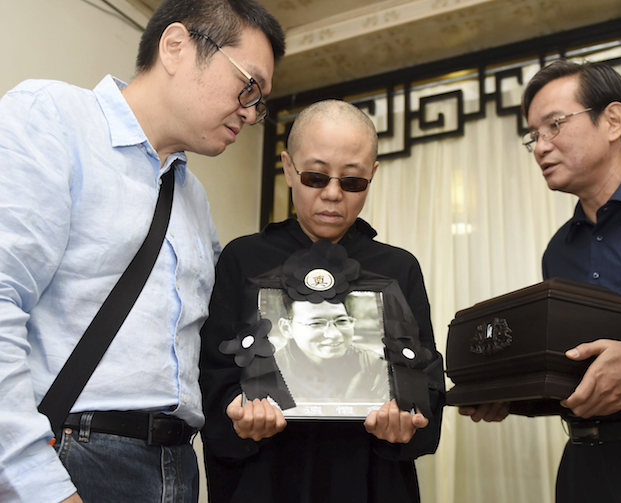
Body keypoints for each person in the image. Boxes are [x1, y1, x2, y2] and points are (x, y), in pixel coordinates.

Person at [0, 1, 284, 502]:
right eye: (248, 85)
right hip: (71, 456)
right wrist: (38, 484)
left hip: (177, 465)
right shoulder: (54, 118)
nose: (250, 110)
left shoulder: (193, 198)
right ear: (176, 47)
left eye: (258, 101)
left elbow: (215, 340)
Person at [200, 99, 445, 502]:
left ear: (373, 175)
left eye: (352, 182)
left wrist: (407, 419)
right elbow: (212, 374)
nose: (333, 195)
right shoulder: (243, 259)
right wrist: (239, 412)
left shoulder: (399, 268)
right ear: (288, 168)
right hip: (266, 478)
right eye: (316, 177)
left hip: (371, 479)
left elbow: (428, 381)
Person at [461, 60, 621, 502]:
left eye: (554, 125)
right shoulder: (559, 250)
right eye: (533, 136)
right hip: (585, 466)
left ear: (613, 120)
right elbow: (574, 374)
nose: (540, 147)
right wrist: (510, 393)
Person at [275, 297, 389, 403]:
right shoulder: (270, 369)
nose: (334, 334)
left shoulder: (376, 366)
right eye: (316, 323)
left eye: (341, 321)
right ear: (286, 328)